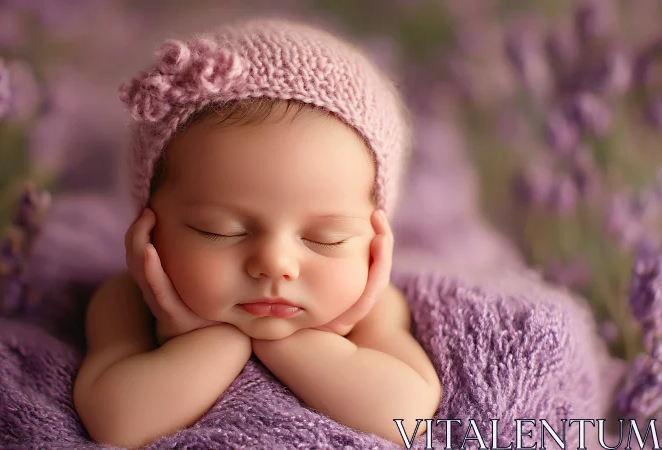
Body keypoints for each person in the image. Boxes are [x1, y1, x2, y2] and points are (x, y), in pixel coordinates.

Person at [73, 18, 441, 448]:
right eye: (219, 231)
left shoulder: (374, 308)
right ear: (148, 230)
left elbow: (407, 416)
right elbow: (121, 423)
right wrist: (208, 340)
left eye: (327, 238)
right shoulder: (126, 299)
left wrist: (302, 344)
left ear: (376, 242)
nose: (275, 264)